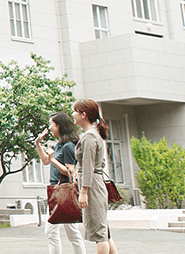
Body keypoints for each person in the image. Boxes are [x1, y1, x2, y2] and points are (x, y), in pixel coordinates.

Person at [73, 99, 119, 254]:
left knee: (100, 234)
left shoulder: (89, 136)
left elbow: (88, 166)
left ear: (84, 115)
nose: (73, 114)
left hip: (92, 185)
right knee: (104, 231)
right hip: (95, 183)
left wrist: (84, 192)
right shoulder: (93, 134)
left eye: (75, 111)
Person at [35, 112, 85, 254]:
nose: (50, 128)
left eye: (52, 124)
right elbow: (45, 161)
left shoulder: (69, 146)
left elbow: (69, 172)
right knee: (68, 232)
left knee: (56, 232)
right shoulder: (59, 145)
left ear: (59, 126)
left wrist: (53, 159)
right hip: (57, 191)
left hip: (64, 191)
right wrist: (38, 144)